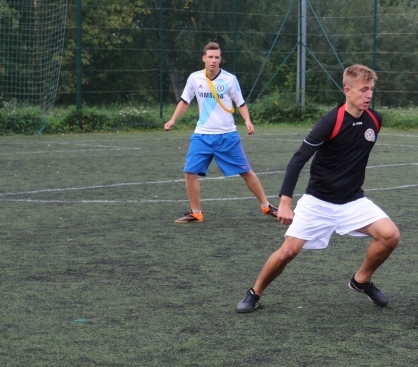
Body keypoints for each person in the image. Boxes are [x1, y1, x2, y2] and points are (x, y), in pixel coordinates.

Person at [235, 64, 400, 314]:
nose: (369, 95)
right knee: (288, 252)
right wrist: (285, 203)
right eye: (363, 90)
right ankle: (254, 293)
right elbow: (298, 160)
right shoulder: (330, 121)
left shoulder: (374, 120)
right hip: (318, 201)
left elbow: (357, 155)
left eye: (371, 89)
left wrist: (356, 182)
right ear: (347, 90)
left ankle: (361, 280)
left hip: (352, 201)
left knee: (390, 235)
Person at [164, 41, 278, 223]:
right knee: (190, 172)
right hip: (202, 135)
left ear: (220, 59)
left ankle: (266, 206)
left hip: (227, 135)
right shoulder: (194, 78)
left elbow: (240, 103)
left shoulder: (230, 79)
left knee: (245, 171)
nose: (213, 60)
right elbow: (185, 101)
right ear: (203, 58)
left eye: (217, 57)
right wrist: (172, 120)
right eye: (210, 57)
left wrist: (248, 121)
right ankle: (196, 212)